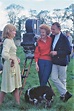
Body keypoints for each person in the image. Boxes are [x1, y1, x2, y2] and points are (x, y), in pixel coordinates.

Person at [50, 22, 72, 102]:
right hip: (54, 61)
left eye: (53, 29)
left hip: (62, 62)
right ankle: (66, 93)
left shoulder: (64, 38)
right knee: (54, 78)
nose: (51, 30)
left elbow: (68, 51)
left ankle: (63, 96)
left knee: (62, 79)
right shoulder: (52, 36)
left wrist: (57, 52)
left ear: (59, 29)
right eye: (51, 29)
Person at [0, 24, 22, 105]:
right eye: (13, 30)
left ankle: (18, 103)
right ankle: (0, 102)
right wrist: (11, 59)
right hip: (10, 65)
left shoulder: (11, 40)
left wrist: (16, 58)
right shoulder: (7, 41)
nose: (15, 32)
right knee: (6, 85)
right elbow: (4, 54)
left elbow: (12, 52)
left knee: (16, 84)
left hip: (14, 64)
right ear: (8, 31)